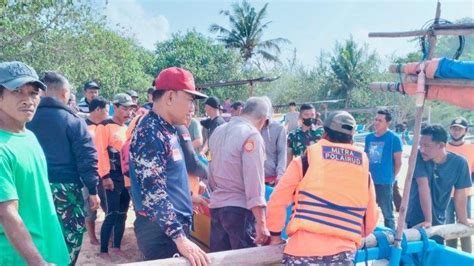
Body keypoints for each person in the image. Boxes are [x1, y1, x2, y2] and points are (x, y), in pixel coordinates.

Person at [267, 111, 378, 265]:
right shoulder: (363, 172)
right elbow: (371, 219)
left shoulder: (306, 161)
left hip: (302, 252)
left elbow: (277, 201)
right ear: (351, 140)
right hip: (342, 254)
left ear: (324, 134)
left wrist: (275, 235)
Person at [130, 67, 209, 265]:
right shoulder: (150, 132)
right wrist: (179, 237)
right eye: (190, 100)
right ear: (170, 97)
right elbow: (154, 194)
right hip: (161, 233)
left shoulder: (167, 129)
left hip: (171, 227)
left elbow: (167, 178)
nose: (193, 108)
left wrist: (189, 199)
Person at [0, 61, 69, 265]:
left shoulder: (29, 136)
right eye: (18, 91)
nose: (28, 100)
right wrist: (38, 263)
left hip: (49, 249)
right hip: (20, 259)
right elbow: (6, 213)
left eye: (33, 93)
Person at [27, 72, 100, 264]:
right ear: (65, 92)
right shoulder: (73, 121)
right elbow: (87, 158)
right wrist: (92, 190)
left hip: (31, 188)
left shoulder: (24, 120)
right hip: (65, 191)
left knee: (34, 237)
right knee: (69, 237)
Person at [208, 96, 271, 252]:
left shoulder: (218, 131)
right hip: (239, 210)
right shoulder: (251, 135)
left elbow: (210, 170)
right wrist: (261, 222)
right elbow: (254, 180)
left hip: (217, 207)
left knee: (219, 261)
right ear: (263, 120)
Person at [406, 124, 473, 233]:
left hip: (440, 218)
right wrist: (428, 220)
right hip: (416, 218)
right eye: (420, 145)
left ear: (441, 145)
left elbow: (460, 193)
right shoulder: (418, 156)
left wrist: (463, 219)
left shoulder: (460, 163)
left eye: (426, 146)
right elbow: (424, 188)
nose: (422, 149)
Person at [95, 93, 136, 257]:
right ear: (115, 107)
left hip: (126, 177)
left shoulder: (126, 128)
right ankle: (103, 249)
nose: (128, 112)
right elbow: (100, 152)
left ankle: (117, 245)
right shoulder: (104, 126)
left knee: (123, 213)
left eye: (130, 109)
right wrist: (105, 176)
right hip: (112, 176)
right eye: (124, 108)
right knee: (111, 214)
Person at [364, 109, 402, 230]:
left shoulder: (394, 138)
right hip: (369, 181)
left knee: (388, 213)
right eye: (376, 119)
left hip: (385, 181)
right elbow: (366, 158)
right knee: (367, 211)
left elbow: (398, 162)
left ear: (387, 123)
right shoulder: (369, 138)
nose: (376, 122)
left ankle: (391, 236)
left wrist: (391, 177)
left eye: (380, 120)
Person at [84, 96, 110, 245]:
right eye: (106, 110)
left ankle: (109, 233)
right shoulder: (82, 126)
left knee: (107, 204)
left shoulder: (105, 125)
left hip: (105, 172)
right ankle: (92, 236)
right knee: (91, 206)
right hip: (89, 173)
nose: (108, 113)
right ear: (98, 109)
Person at [445, 117, 474, 252]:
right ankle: (453, 254)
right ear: (450, 130)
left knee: (465, 225)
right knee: (449, 227)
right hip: (445, 195)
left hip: (465, 194)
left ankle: (467, 255)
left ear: (465, 131)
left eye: (459, 129)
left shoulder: (471, 148)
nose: (456, 131)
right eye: (454, 128)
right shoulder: (443, 147)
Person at [262, 115, 287, 186]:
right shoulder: (248, 128)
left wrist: (280, 175)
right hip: (251, 178)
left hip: (272, 178)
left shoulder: (278, 128)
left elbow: (282, 153)